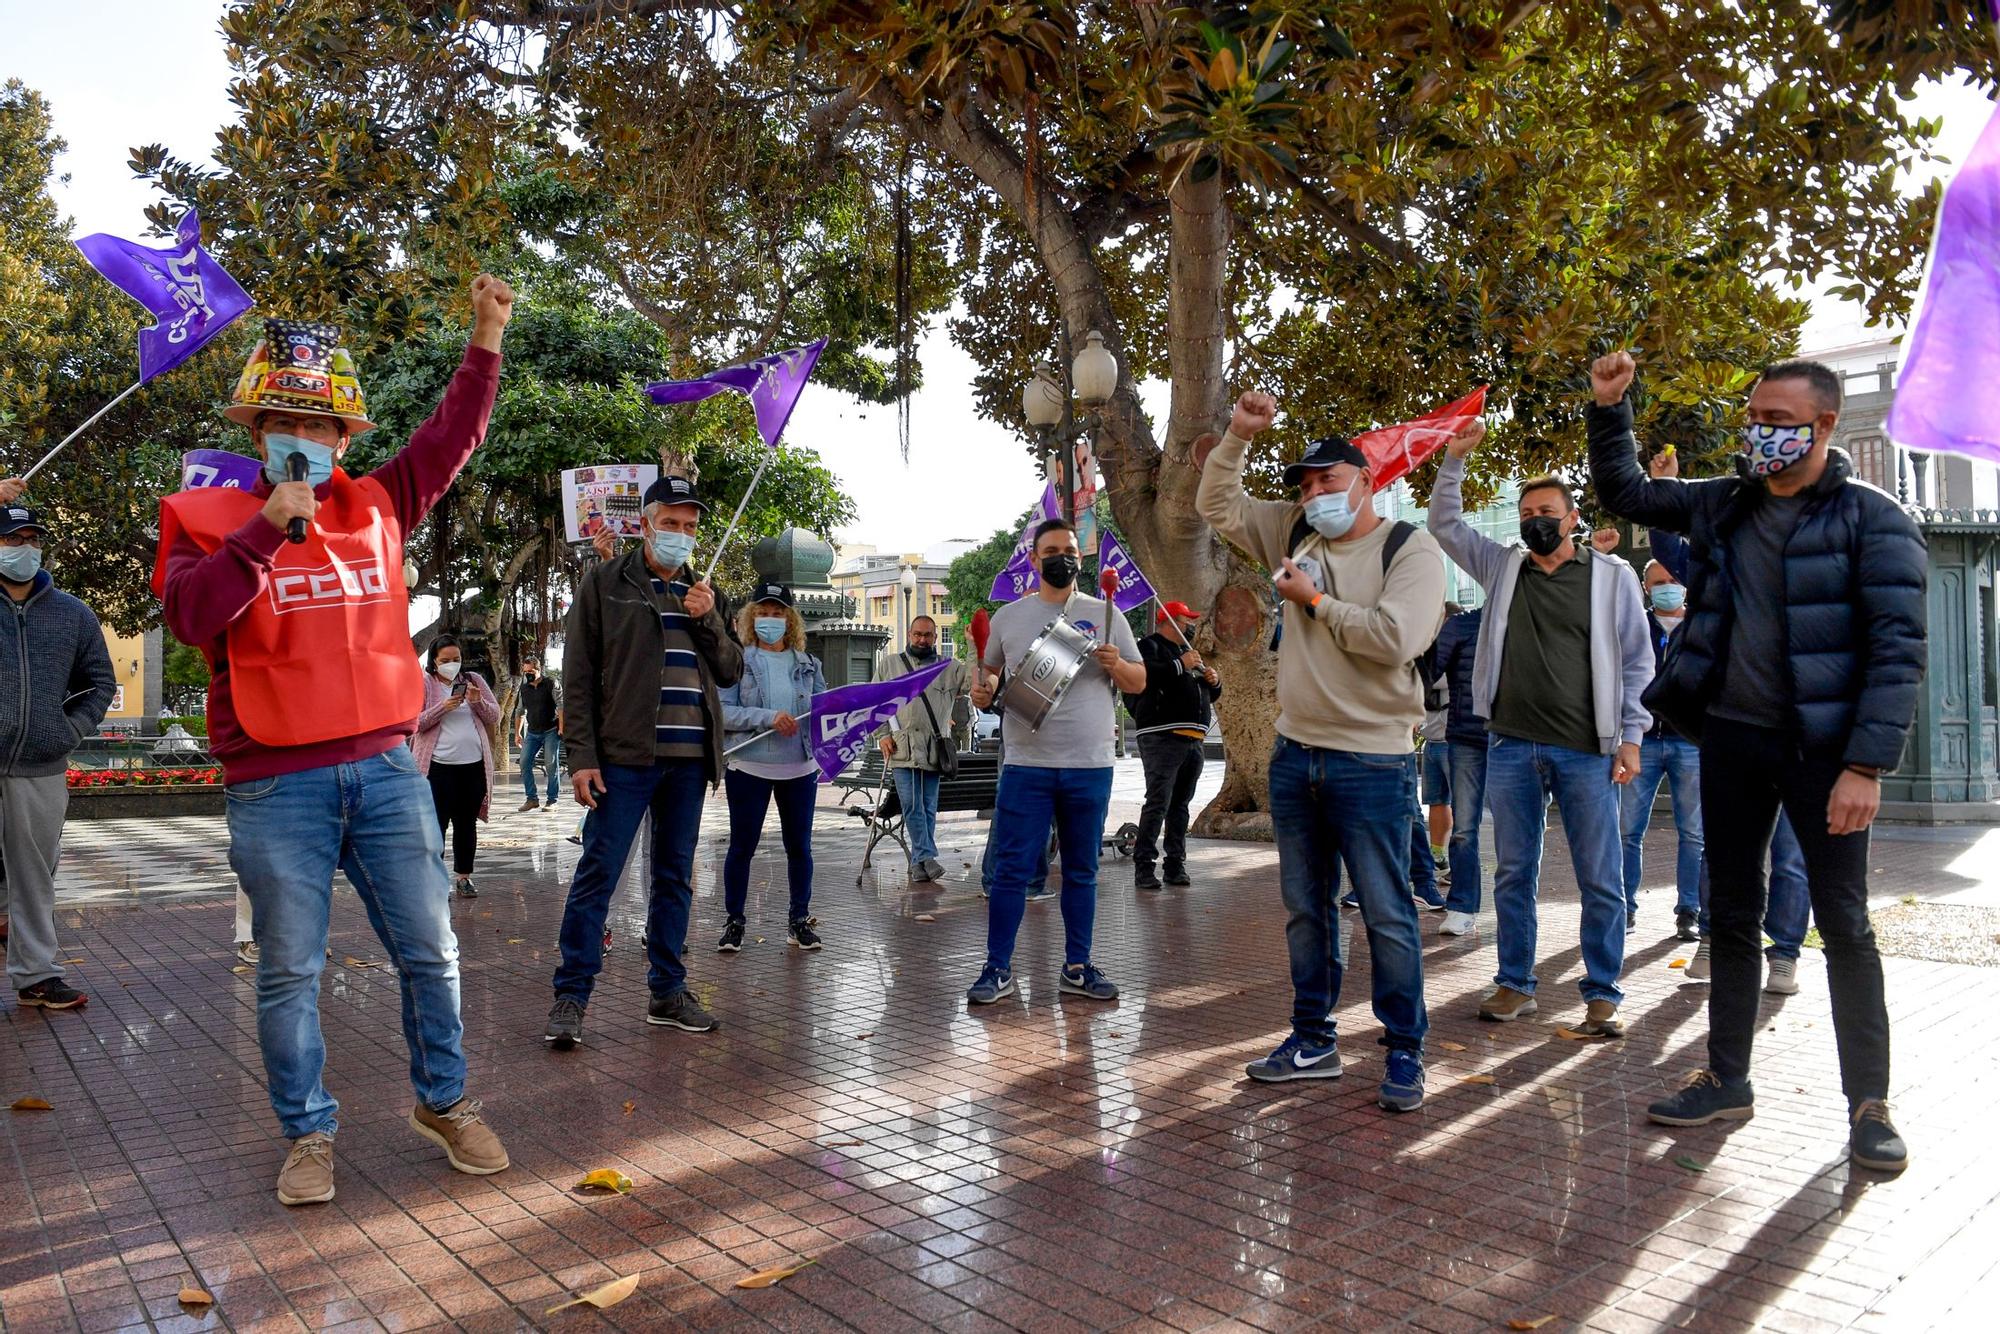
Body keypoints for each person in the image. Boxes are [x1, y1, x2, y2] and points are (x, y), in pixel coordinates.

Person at [156, 285, 516, 1204]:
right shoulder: (201, 519)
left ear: (346, 440)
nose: (302, 439)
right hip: (276, 787)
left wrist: (486, 337)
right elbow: (194, 617)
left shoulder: (380, 503)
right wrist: (262, 532)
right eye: (283, 421)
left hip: (389, 772)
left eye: (320, 426)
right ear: (256, 431)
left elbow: (452, 439)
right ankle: (308, 1133)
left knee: (432, 950)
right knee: (290, 970)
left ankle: (445, 1101)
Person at [1587, 351, 1923, 1171]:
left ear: (1824, 424)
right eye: (1756, 417)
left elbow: (1896, 650)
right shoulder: (1727, 503)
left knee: (1844, 926)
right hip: (1731, 742)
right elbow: (1628, 495)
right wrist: (1609, 408)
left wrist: (1866, 767)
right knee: (1733, 915)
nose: (1762, 432)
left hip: (1825, 755)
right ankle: (1725, 1077)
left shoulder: (1873, 519)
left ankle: (1869, 1107)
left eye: (1779, 420)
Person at [1198, 394, 1447, 1112]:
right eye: (1304, 485)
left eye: (1328, 481)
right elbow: (1219, 503)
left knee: (1387, 913)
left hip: (1372, 762)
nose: (1314, 495)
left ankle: (1404, 1049)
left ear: (1365, 480)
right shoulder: (1295, 532)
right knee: (1307, 911)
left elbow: (1396, 639)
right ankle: (1313, 1040)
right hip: (1295, 756)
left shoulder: (1410, 549)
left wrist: (1313, 603)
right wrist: (1239, 434)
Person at [1428, 421, 1652, 1039]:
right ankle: (1515, 984)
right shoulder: (1503, 568)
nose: (1535, 521)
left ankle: (1603, 992)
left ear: (1573, 518)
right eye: (1527, 513)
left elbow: (1638, 662)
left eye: (1546, 512)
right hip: (1509, 747)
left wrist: (1631, 735)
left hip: (1587, 751)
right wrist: (1453, 462)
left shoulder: (1612, 578)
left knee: (1600, 876)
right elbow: (1444, 525)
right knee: (1513, 871)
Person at [544, 474, 743, 1051]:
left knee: (674, 877)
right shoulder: (606, 583)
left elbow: (730, 670)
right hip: (624, 760)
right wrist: (581, 757)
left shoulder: (706, 592)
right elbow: (577, 676)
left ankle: (667, 991)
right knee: (597, 875)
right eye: (671, 523)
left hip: (688, 764)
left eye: (690, 526)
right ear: (648, 521)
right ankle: (572, 995)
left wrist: (707, 618)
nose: (681, 535)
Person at [966, 517, 1146, 1006]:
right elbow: (988, 685)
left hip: (1090, 764)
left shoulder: (1108, 613)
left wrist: (1118, 665)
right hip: (1026, 764)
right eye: (1051, 550)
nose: (1061, 556)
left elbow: (1138, 682)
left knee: (1082, 870)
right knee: (1011, 870)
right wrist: (982, 693)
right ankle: (997, 967)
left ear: (1080, 559)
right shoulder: (1008, 619)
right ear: (1034, 558)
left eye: (1069, 549)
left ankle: (1078, 966)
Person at [1644, 498, 1817, 995]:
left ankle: (1784, 954)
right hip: (1733, 735)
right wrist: (1661, 490)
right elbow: (1672, 552)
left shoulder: (1817, 587)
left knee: (1789, 855)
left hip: (1800, 743)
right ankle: (1713, 941)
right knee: (1721, 849)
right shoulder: (1726, 574)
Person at [1, 503, 116, 1013]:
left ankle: (36, 977)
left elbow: (100, 683)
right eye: (11, 538)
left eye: (31, 537)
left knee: (34, 876)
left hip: (40, 766)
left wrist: (67, 730)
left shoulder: (73, 614)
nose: (23, 547)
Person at [717, 583, 826, 953]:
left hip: (799, 768)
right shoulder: (738, 660)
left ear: (790, 619)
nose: (770, 619)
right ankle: (734, 922)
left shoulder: (809, 665)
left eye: (778, 613)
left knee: (800, 848)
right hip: (749, 767)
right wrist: (767, 718)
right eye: (763, 612)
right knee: (741, 848)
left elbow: (824, 713)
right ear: (751, 617)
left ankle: (799, 920)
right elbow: (723, 712)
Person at [1610, 545, 1704, 940]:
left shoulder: (1701, 626)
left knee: (1694, 834)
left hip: (1690, 742)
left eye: (1674, 581)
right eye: (1659, 583)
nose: (1668, 588)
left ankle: (1689, 911)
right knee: (1628, 830)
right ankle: (1626, 906)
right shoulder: (1635, 626)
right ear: (1646, 589)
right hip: (1641, 741)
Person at [1127, 600, 1221, 891]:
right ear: (1167, 622)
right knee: (1158, 802)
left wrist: (1214, 683)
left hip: (1193, 740)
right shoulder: (1149, 647)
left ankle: (1175, 865)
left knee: (1180, 805)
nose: (1190, 626)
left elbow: (1204, 693)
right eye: (1185, 620)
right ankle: (1144, 866)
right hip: (1162, 737)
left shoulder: (1188, 654)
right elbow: (1144, 678)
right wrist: (1181, 665)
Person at [875, 614, 971, 884]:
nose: (922, 639)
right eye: (917, 634)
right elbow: (874, 703)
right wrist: (882, 735)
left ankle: (919, 865)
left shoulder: (949, 667)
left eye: (927, 635)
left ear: (935, 637)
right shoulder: (890, 664)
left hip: (933, 749)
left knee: (928, 807)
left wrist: (974, 645)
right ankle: (927, 855)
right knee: (911, 805)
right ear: (908, 634)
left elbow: (972, 683)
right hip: (902, 750)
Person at [412, 635, 498, 899]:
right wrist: (442, 707)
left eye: (456, 659)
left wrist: (476, 701)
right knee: (436, 825)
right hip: (437, 769)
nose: (452, 664)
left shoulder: (473, 681)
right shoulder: (424, 683)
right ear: (434, 662)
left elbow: (494, 715)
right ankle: (435, 881)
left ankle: (464, 877)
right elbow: (414, 723)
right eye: (445, 660)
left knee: (466, 824)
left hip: (472, 768)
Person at [1432, 604, 1488, 936]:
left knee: (1520, 835)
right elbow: (1427, 672)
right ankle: (1462, 906)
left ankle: (1518, 908)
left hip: (1515, 738)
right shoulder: (1460, 625)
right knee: (1465, 829)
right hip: (1466, 738)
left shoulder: (1530, 617)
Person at [515, 655, 562, 812]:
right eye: (525, 672)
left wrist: (562, 727)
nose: (527, 674)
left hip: (551, 730)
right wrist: (517, 733)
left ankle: (552, 800)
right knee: (524, 762)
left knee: (551, 764)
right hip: (532, 732)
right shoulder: (524, 688)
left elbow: (562, 706)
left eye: (531, 671)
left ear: (538, 670)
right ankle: (531, 799)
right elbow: (520, 711)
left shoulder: (551, 683)